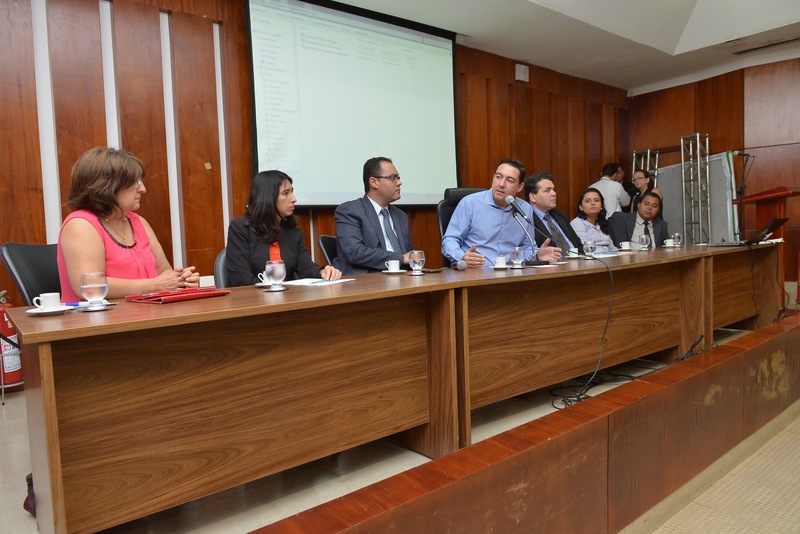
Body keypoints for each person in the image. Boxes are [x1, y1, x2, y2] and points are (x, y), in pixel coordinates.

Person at [57, 147, 200, 302]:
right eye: (135, 182)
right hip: (98, 317)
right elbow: (90, 286)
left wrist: (182, 281)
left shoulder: (138, 222)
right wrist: (155, 285)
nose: (143, 189)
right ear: (108, 187)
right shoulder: (81, 224)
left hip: (147, 313)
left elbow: (164, 275)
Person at [226, 170, 342, 286]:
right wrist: (274, 286)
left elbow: (306, 267)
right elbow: (241, 280)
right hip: (252, 296)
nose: (294, 199)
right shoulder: (240, 229)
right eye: (286, 193)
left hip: (287, 295)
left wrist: (323, 272)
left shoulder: (294, 232)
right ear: (268, 197)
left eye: (292, 192)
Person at [441, 158, 561, 268]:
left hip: (510, 274)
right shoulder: (470, 203)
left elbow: (527, 248)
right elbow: (449, 240)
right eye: (498, 177)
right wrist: (462, 257)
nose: (501, 184)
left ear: (520, 187)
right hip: (475, 272)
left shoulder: (524, 208)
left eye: (509, 180)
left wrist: (538, 254)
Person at [333, 157, 413, 274]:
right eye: (392, 178)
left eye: (398, 177)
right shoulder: (349, 211)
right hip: (366, 280)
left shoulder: (400, 216)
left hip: (401, 278)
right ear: (374, 182)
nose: (399, 183)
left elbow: (408, 256)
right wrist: (400, 258)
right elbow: (355, 253)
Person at [524, 172, 584, 255]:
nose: (554, 193)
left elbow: (578, 245)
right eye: (548, 190)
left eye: (553, 189)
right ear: (533, 197)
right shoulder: (526, 220)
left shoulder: (560, 216)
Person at [570, 187, 617, 252]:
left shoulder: (601, 223)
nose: (593, 203)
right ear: (581, 207)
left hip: (609, 257)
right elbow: (585, 249)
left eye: (596, 200)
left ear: (601, 206)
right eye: (587, 201)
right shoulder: (577, 223)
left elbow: (612, 248)